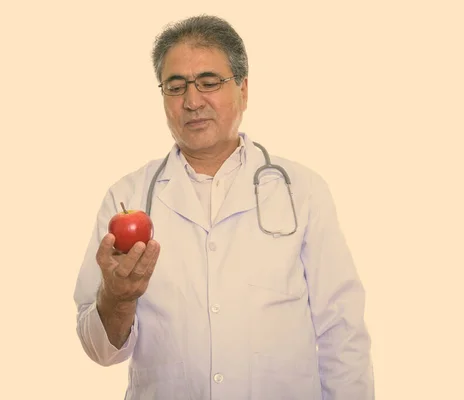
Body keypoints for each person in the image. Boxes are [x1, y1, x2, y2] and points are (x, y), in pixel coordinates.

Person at [73, 14, 374, 400]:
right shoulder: (127, 198)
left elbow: (342, 332)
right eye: (175, 86)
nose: (192, 101)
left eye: (209, 83)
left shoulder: (302, 192)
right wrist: (117, 298)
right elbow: (98, 350)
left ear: (243, 90)